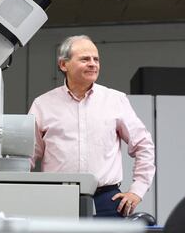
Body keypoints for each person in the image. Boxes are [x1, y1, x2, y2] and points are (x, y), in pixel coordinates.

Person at [28, 35, 155, 217]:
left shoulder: (115, 100)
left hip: (107, 201)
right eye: (85, 59)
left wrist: (137, 190)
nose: (93, 64)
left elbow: (144, 145)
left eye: (96, 59)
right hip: (56, 198)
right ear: (64, 65)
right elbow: (26, 156)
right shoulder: (42, 104)